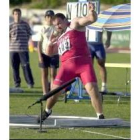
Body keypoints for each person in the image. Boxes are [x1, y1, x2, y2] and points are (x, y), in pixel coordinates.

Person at [37, 2, 104, 123]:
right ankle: (47, 110)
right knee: (54, 92)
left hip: (83, 64)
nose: (57, 26)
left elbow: (91, 19)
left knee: (92, 89)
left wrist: (92, 12)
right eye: (55, 25)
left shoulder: (74, 23)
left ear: (64, 19)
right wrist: (50, 44)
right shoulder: (59, 36)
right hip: (67, 68)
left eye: (59, 23)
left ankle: (100, 116)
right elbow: (49, 53)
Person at [10, 8, 34, 88]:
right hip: (13, 50)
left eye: (19, 14)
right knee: (15, 67)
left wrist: (25, 43)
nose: (17, 15)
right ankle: (17, 83)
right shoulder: (10, 26)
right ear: (13, 15)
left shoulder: (25, 24)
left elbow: (29, 34)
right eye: (16, 14)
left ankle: (30, 83)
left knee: (26, 66)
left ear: (21, 15)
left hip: (23, 49)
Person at [37, 10, 59, 95]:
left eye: (51, 17)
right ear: (45, 18)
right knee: (44, 74)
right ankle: (45, 93)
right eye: (48, 17)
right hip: (44, 54)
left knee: (53, 74)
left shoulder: (56, 28)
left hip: (54, 54)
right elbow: (39, 43)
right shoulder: (42, 29)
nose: (49, 19)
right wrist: (40, 56)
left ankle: (53, 92)